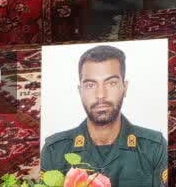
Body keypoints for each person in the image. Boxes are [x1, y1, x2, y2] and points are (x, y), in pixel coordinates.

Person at [41, 45, 168, 186]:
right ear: (80, 91)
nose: (101, 94)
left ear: (124, 88)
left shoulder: (154, 148)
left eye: (111, 83)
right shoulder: (55, 150)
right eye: (90, 85)